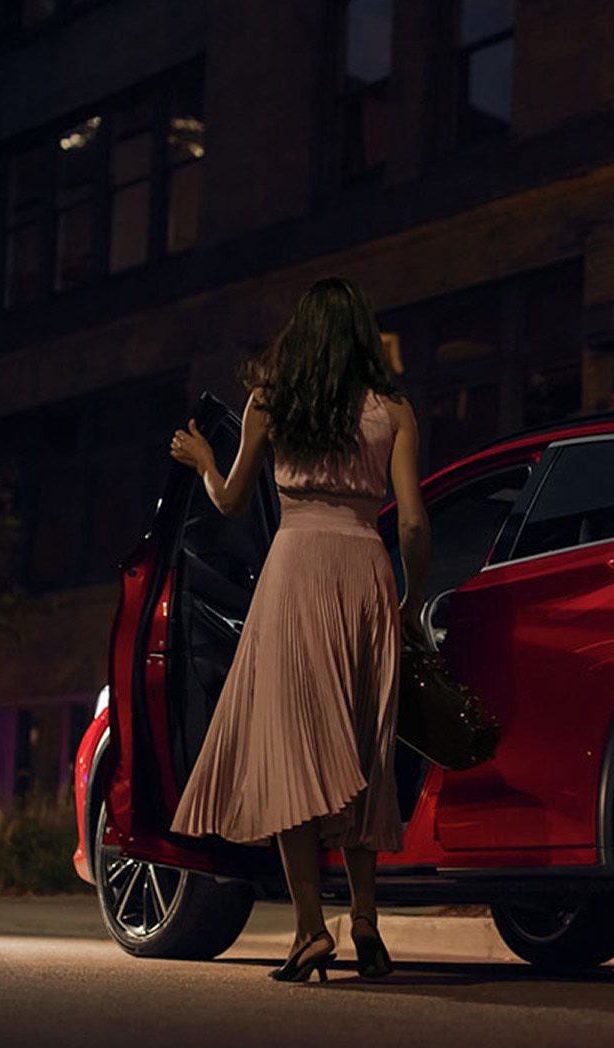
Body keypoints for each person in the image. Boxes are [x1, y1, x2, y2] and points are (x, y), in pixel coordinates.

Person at [166, 276, 431, 983]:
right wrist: (414, 601)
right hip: (365, 574)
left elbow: (227, 502)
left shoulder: (270, 403)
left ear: (303, 336)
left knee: (292, 748)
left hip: (295, 573)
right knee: (363, 750)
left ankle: (311, 930)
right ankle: (368, 919)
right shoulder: (394, 412)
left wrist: (203, 463)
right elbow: (410, 521)